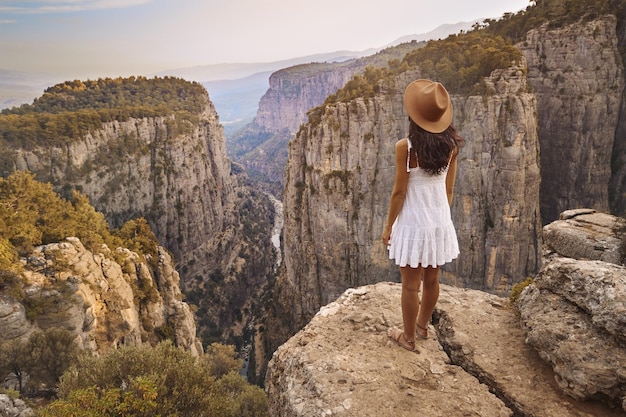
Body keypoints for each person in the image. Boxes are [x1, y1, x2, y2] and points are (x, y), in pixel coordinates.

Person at [382, 79, 464, 352]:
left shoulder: (405, 148)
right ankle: (422, 326)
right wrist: (439, 218)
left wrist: (388, 227)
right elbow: (449, 188)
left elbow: (399, 193)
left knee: (409, 286)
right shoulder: (451, 146)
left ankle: (408, 338)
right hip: (439, 221)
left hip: (414, 224)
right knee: (432, 280)